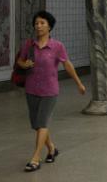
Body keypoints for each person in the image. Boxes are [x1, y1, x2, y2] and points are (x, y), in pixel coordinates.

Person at [14, 10, 86, 172]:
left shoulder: (57, 46)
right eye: (37, 23)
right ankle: (52, 149)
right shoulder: (28, 45)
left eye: (42, 23)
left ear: (49, 27)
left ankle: (36, 158)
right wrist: (23, 64)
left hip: (49, 91)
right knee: (37, 125)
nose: (38, 26)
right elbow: (20, 60)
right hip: (31, 89)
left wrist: (79, 83)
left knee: (42, 122)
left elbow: (67, 65)